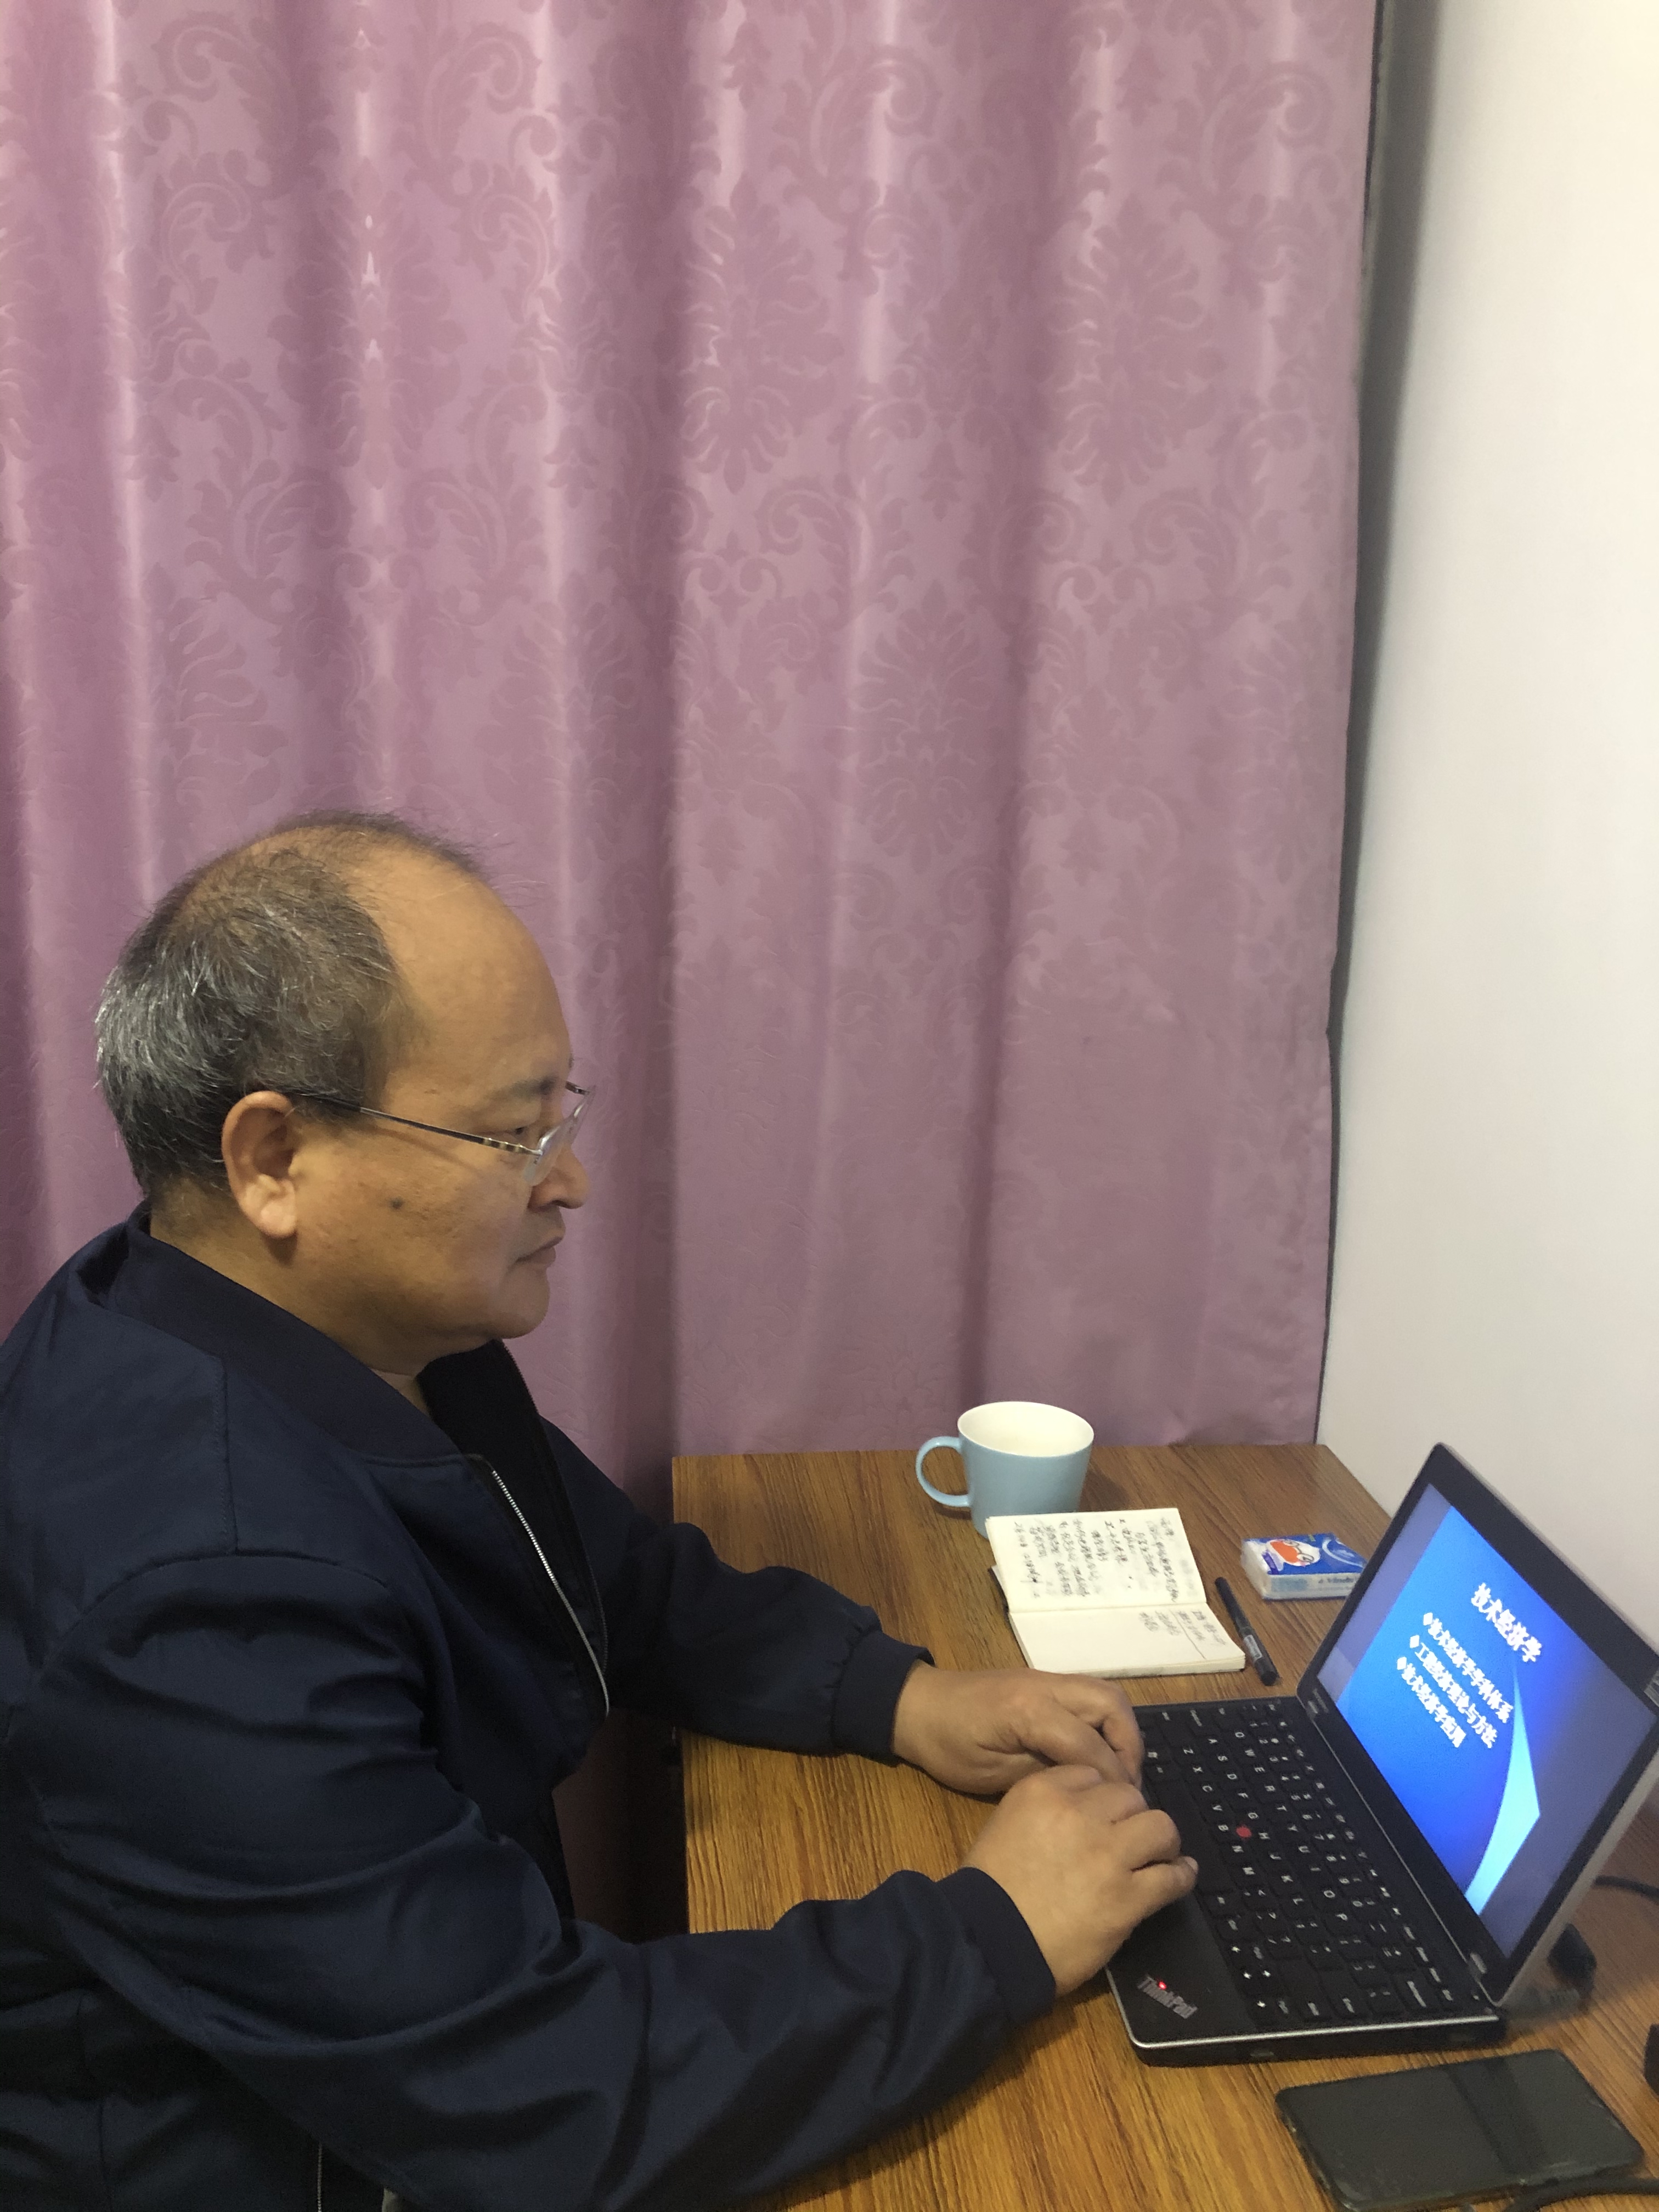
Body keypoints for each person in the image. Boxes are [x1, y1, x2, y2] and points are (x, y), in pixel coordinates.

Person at [0, 811, 1195, 2212]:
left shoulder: (311, 1323)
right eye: (512, 1133)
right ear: (272, 1160)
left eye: (560, 1116)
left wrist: (894, 1694)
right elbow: (529, 2088)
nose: (567, 1179)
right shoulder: (190, 1604)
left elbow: (599, 1575)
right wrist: (993, 1932)